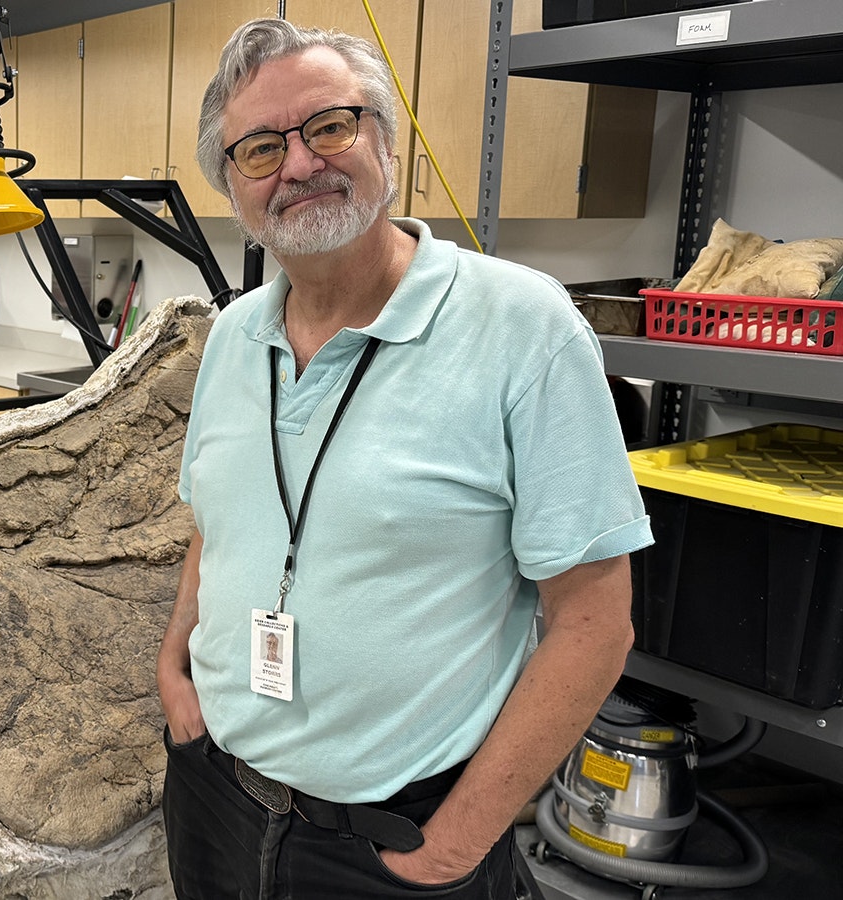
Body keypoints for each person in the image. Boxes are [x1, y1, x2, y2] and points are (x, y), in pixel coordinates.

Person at [158, 19, 653, 899]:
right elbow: (218, 523)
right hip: (217, 798)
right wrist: (176, 673)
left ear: (387, 141)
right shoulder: (233, 337)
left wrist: (455, 846)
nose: (300, 164)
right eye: (261, 149)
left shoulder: (522, 328)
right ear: (232, 187)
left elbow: (592, 623)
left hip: (398, 838)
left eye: (330, 127)